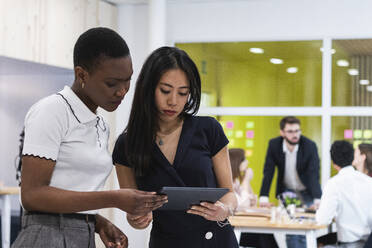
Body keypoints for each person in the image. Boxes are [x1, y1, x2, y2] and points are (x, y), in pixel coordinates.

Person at [12, 27, 167, 248]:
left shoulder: (100, 125)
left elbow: (71, 190)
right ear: (82, 74)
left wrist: (96, 221)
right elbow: (32, 195)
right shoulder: (51, 111)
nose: (122, 91)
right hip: (45, 237)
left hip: (81, 235)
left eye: (127, 81)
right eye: (112, 83)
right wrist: (114, 198)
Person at [112, 46, 239, 248]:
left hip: (215, 240)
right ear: (148, 88)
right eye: (165, 91)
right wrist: (135, 219)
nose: (173, 101)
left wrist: (225, 209)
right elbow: (134, 208)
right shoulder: (126, 145)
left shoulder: (209, 130)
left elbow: (230, 193)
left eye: (183, 93)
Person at [259, 116, 322, 248]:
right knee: (291, 228)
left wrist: (317, 198)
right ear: (282, 132)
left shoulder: (309, 145)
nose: (295, 135)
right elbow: (268, 171)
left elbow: (313, 173)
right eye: (291, 131)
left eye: (297, 131)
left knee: (305, 228)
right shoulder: (274, 145)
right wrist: (264, 196)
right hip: (288, 192)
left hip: (307, 191)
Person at [316, 140, 372, 248]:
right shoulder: (369, 181)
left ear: (334, 164)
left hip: (349, 244)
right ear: (352, 158)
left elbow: (322, 220)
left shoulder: (334, 183)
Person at [229, 148, 278, 248]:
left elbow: (252, 203)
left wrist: (247, 181)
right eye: (244, 160)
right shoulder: (228, 183)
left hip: (242, 224)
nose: (247, 162)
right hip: (234, 227)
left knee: (267, 235)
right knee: (264, 236)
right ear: (236, 162)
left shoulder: (236, 181)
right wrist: (246, 179)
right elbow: (242, 205)